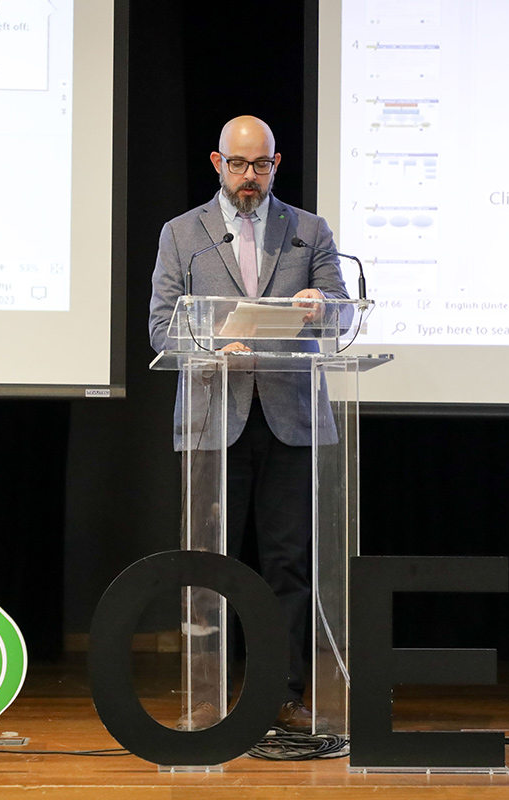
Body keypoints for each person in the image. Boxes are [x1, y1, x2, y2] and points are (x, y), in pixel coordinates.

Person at [148, 116, 350, 733]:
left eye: (260, 165)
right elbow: (160, 329)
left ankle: (282, 695)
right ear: (217, 164)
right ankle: (207, 695)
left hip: (291, 420)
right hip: (215, 417)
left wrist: (322, 306)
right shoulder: (182, 234)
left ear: (275, 164)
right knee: (211, 563)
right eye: (238, 165)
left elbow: (342, 315)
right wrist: (214, 345)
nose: (249, 178)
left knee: (287, 565)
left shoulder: (309, 230)